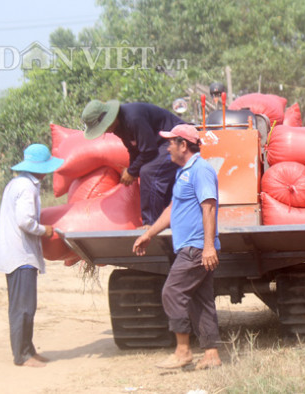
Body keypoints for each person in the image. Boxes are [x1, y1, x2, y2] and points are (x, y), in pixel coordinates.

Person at [132, 124, 222, 370]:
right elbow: (173, 209)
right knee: (200, 300)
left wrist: (207, 247)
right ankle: (211, 354)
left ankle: (183, 351)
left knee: (172, 293)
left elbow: (209, 207)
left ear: (184, 145)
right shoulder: (183, 172)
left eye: (171, 142)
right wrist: (149, 233)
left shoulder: (201, 170)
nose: (167, 147)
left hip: (195, 247)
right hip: (193, 246)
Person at [0, 144, 64, 368]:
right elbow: (25, 221)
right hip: (21, 255)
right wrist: (45, 230)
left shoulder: (17, 183)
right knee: (23, 308)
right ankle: (22, 355)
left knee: (25, 306)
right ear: (40, 168)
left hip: (16, 253)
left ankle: (28, 350)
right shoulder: (27, 188)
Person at [81, 100, 186, 226]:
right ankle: (169, 219)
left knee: (149, 171)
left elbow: (149, 150)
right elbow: (134, 149)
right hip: (158, 144)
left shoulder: (133, 118)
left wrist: (132, 171)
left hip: (177, 138)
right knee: (148, 172)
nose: (106, 131)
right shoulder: (118, 127)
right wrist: (132, 169)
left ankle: (151, 224)